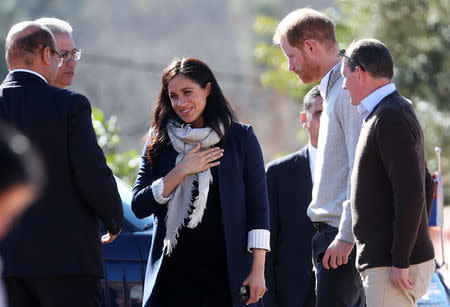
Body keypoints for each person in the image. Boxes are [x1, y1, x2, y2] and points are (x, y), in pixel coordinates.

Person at [0, 21, 124, 307]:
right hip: (66, 263)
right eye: (59, 55)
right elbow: (92, 174)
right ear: (46, 55)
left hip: (7, 264)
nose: (63, 63)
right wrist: (114, 220)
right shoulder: (69, 105)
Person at [131, 57, 270, 307]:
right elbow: (139, 206)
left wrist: (258, 270)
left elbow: (258, 209)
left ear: (207, 89)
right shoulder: (158, 142)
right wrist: (181, 170)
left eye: (187, 92)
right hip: (173, 279)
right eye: (173, 96)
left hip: (228, 276)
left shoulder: (240, 138)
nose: (180, 103)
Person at [273, 8, 365, 306]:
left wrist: (345, 235)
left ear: (310, 46)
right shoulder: (334, 93)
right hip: (333, 239)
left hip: (340, 240)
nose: (289, 67)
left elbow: (359, 169)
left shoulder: (347, 92)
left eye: (291, 56)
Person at [341, 39, 435, 306]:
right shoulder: (389, 111)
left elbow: (413, 192)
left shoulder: (391, 115)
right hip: (390, 264)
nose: (344, 84)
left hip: (392, 268)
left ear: (359, 72)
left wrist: (402, 258)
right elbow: (425, 185)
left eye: (345, 76)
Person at [265, 85, 322, 307]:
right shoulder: (278, 173)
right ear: (304, 119)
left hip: (343, 294)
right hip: (290, 295)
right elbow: (266, 244)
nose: (325, 120)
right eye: (318, 113)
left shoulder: (355, 169)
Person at [35, 17, 80, 88]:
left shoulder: (70, 98)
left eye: (74, 54)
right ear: (43, 55)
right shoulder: (19, 97)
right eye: (64, 55)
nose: (73, 63)